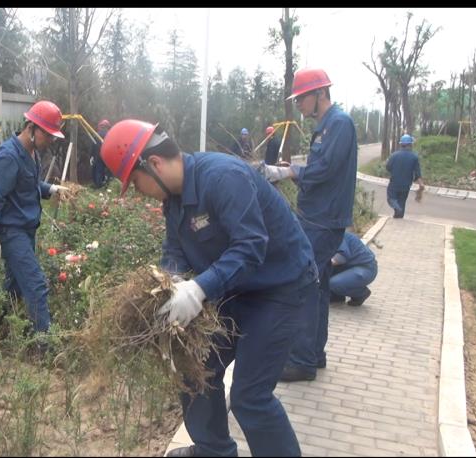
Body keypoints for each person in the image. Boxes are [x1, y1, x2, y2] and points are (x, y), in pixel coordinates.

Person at [101, 119, 319, 457]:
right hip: (235, 288)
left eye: (136, 183)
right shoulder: (174, 199)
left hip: (279, 288)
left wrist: (198, 289)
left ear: (154, 164)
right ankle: (214, 451)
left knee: (250, 397)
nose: (140, 193)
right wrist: (171, 281)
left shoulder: (223, 177)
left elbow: (250, 247)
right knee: (194, 370)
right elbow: (175, 248)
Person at [262, 68, 358, 382]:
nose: (299, 105)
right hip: (318, 218)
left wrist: (291, 173)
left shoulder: (339, 124)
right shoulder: (326, 126)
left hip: (323, 221)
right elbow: (320, 167)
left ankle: (301, 360)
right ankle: (314, 354)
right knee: (318, 285)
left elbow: (326, 169)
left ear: (320, 94)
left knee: (303, 283)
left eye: (301, 98)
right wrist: (294, 169)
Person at [0, 100, 70, 336]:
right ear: (31, 128)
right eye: (47, 134)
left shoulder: (31, 153)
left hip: (26, 230)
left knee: (15, 286)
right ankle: (46, 344)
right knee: (35, 284)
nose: (50, 140)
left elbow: (28, 184)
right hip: (12, 232)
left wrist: (50, 189)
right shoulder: (8, 156)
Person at [329, 231, 378, 306]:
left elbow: (340, 258)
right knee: (325, 274)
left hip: (365, 268)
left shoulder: (337, 234)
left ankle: (361, 293)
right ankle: (337, 296)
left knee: (332, 283)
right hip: (348, 267)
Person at [386, 134, 424, 219]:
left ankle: (397, 209)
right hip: (406, 185)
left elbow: (388, 167)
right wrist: (421, 184)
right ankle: (399, 217)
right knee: (402, 202)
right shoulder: (414, 157)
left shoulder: (394, 155)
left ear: (401, 144)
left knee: (391, 199)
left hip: (394, 183)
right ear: (410, 145)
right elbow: (417, 173)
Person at [90, 119, 112, 188]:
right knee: (108, 170)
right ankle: (108, 184)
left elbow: (93, 145)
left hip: (98, 155)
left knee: (99, 170)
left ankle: (98, 185)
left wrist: (91, 155)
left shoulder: (96, 134)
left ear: (100, 126)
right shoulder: (110, 134)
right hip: (107, 155)